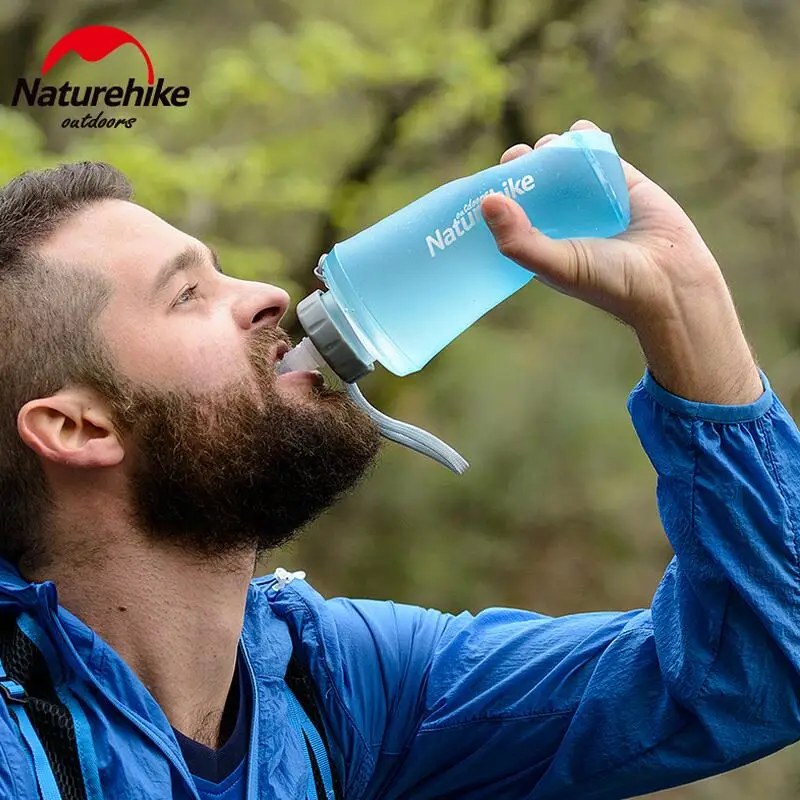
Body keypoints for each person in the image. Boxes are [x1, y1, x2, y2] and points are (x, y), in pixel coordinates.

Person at [0, 117, 796, 800]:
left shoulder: (336, 686)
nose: (268, 295)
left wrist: (686, 306)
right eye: (187, 295)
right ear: (76, 428)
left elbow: (748, 670)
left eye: (220, 272)